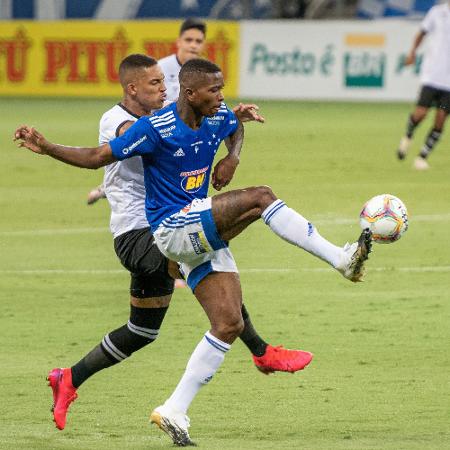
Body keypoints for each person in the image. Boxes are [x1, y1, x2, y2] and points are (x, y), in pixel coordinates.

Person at [15, 58, 372, 446]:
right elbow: (103, 153)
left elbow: (228, 126)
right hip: (145, 232)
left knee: (176, 326)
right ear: (133, 88)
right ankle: (323, 279)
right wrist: (48, 146)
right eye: (154, 83)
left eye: (165, 82)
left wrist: (230, 151)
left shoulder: (201, 114)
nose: (162, 88)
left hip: (189, 220)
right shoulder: (138, 125)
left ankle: (148, 402)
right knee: (259, 201)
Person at [87, 18, 207, 205]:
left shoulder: (204, 74)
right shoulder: (162, 68)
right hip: (157, 130)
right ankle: (110, 185)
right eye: (189, 40)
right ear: (179, 42)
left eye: (198, 41)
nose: (193, 46)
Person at [396, 1, 450, 170]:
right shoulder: (437, 12)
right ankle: (408, 136)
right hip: (432, 77)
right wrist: (412, 52)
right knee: (420, 113)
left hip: (449, 84)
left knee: (441, 119)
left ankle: (422, 157)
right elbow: (421, 33)